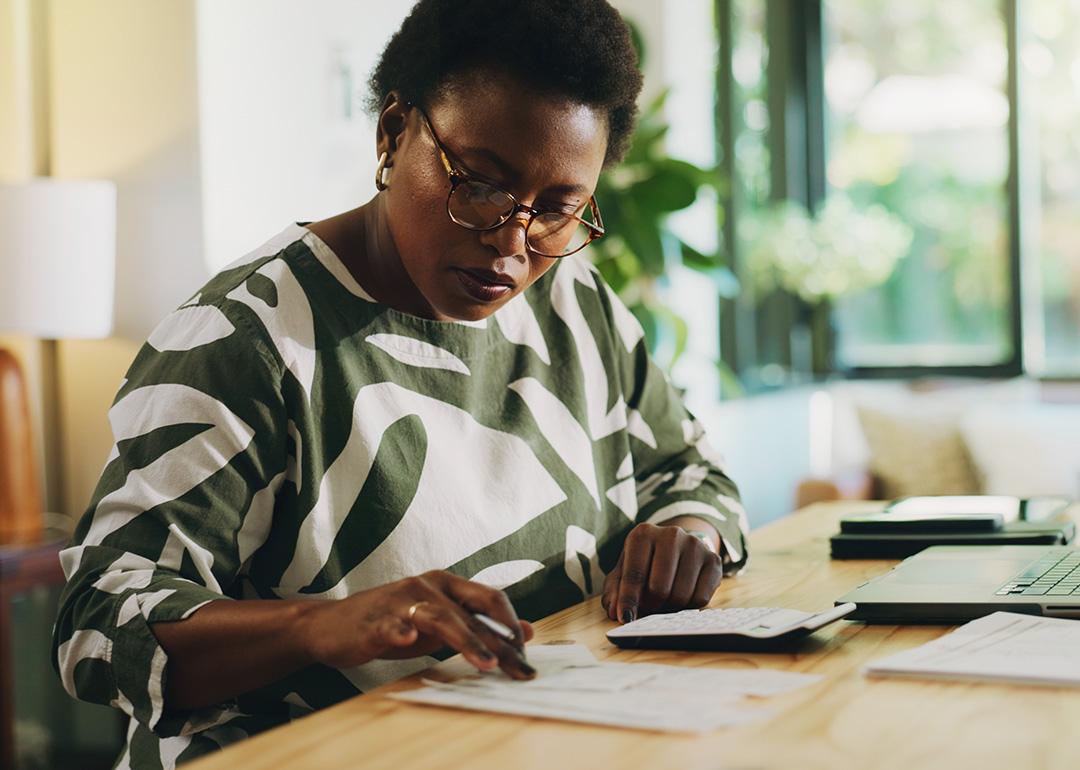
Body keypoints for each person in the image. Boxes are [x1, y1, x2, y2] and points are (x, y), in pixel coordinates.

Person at [52, 0, 749, 766]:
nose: (512, 248)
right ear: (393, 134)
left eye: (558, 210)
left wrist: (690, 533)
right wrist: (325, 625)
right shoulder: (247, 340)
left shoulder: (573, 302)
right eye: (481, 184)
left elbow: (689, 469)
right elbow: (98, 622)